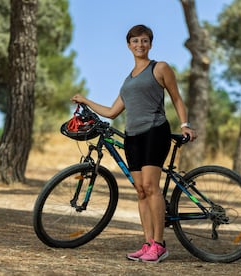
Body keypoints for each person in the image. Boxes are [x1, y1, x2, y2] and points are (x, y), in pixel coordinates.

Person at [71, 24, 196, 263]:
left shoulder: (159, 68)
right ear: (129, 45)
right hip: (133, 136)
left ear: (150, 44)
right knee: (140, 191)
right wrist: (84, 100)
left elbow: (177, 98)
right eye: (135, 41)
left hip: (154, 131)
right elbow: (111, 111)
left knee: (151, 187)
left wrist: (185, 125)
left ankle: (159, 245)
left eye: (145, 40)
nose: (140, 45)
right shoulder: (127, 82)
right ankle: (148, 242)